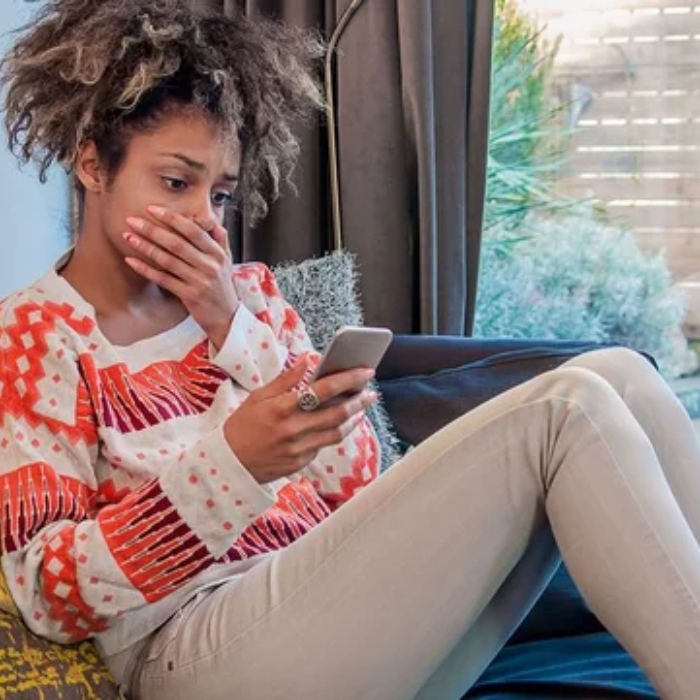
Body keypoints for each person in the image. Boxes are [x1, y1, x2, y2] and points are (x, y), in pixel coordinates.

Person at [2, 2, 700, 699]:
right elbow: (47, 595)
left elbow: (355, 485)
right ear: (93, 166)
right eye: (177, 183)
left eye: (220, 196)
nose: (203, 220)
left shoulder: (251, 300)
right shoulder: (34, 334)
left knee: (619, 374)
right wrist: (235, 463)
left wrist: (231, 326)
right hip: (191, 644)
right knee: (567, 408)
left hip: (339, 616)